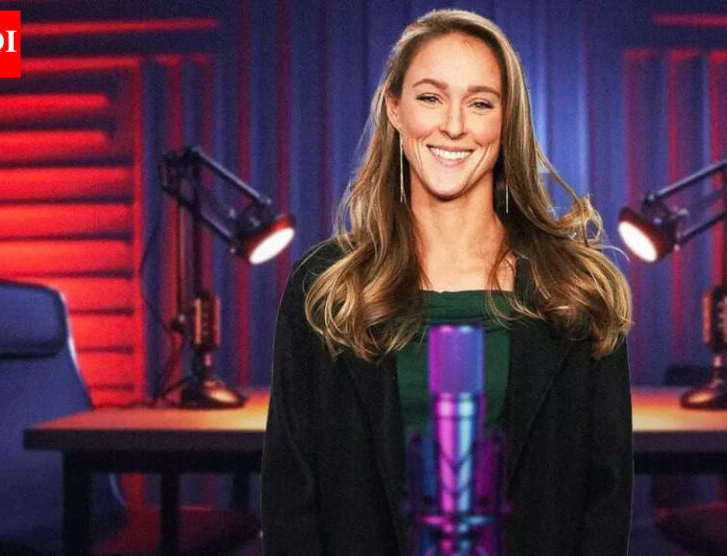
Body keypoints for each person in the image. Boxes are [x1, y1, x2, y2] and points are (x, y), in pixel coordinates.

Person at [262, 8, 633, 555]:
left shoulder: (576, 290)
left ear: (506, 121)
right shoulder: (325, 289)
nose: (454, 125)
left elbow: (605, 504)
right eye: (431, 97)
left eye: (480, 103)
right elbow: (291, 503)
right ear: (394, 108)